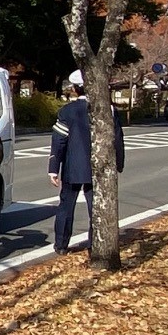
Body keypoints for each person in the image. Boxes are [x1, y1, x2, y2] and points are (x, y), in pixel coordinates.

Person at [48, 71, 125, 255]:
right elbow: (118, 139)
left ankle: (61, 244)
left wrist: (53, 169)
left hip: (72, 167)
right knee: (96, 207)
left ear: (75, 89)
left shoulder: (67, 111)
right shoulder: (108, 109)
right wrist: (118, 163)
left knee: (66, 206)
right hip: (100, 167)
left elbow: (59, 141)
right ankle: (94, 244)